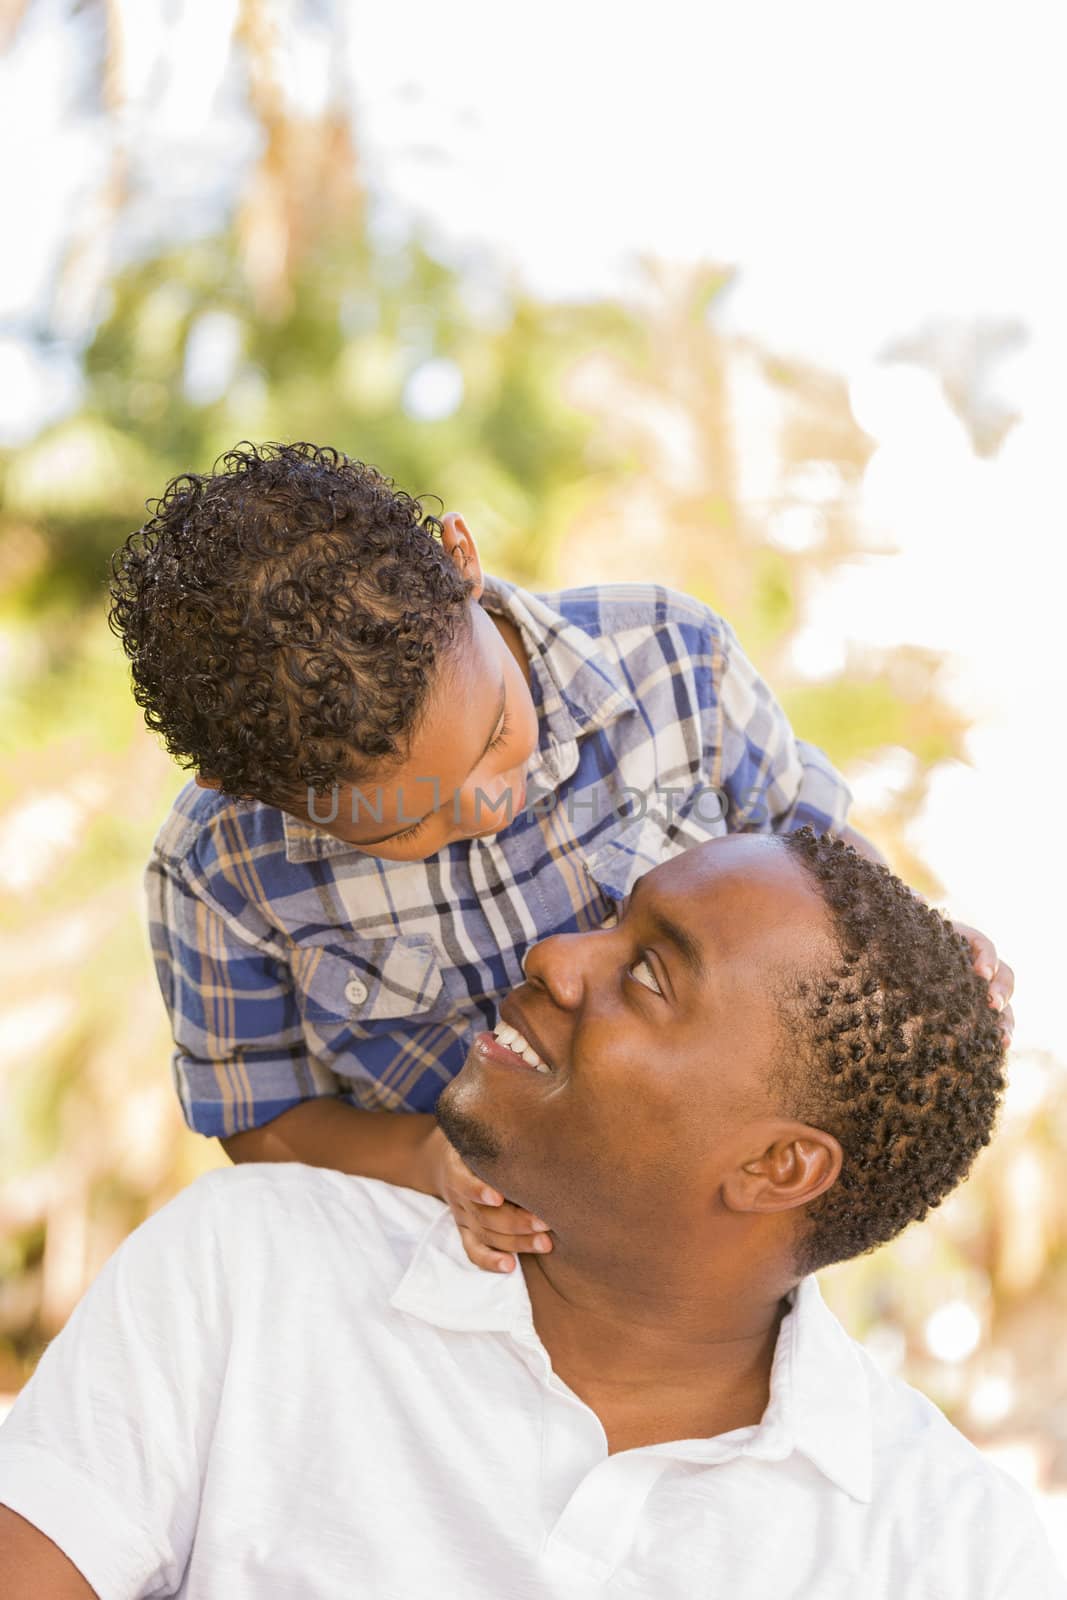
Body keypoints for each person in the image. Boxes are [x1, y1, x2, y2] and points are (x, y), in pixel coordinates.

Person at [0, 831, 1055, 1599]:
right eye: (609, 917)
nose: (555, 955)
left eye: (645, 972)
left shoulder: (956, 1556)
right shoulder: (251, 1266)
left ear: (777, 1165)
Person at [106, 441, 1014, 1274]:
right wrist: (425, 1161)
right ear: (247, 790)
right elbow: (259, 1119)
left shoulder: (670, 657)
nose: (491, 806)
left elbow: (814, 857)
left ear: (463, 561)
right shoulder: (218, 868)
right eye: (401, 829)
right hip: (431, 1265)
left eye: (498, 735)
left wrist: (919, 957)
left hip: (683, 1258)